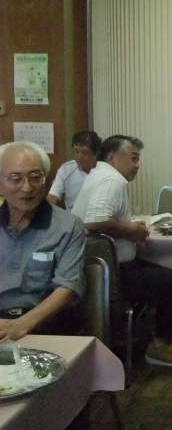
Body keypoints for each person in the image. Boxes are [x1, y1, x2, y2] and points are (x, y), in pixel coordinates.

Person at [71, 135, 172, 367]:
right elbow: (94, 222)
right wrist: (130, 229)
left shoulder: (96, 176)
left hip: (91, 270)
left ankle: (146, 331)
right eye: (133, 158)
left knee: (165, 273)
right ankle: (160, 347)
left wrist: (129, 230)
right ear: (111, 157)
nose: (137, 165)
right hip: (110, 275)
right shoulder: (112, 179)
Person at [0, 142, 85, 340]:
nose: (27, 187)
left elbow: (67, 287)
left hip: (45, 325)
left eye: (35, 177)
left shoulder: (68, 226)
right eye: (16, 178)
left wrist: (21, 325)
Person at [47, 130, 102, 211]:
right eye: (76, 151)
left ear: (95, 153)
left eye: (84, 153)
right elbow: (53, 196)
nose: (79, 157)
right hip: (72, 217)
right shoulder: (66, 169)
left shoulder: (104, 171)